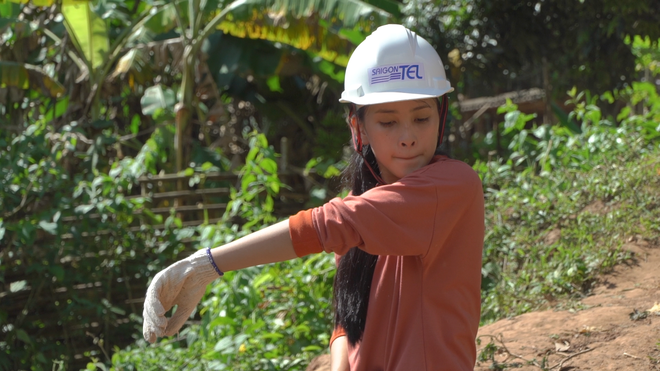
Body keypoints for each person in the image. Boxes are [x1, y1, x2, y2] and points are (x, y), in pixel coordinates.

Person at [143, 24, 485, 371]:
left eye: (422, 117)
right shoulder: (361, 203)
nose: (408, 137)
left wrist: (208, 264)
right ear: (359, 127)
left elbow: (328, 224)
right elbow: (349, 317)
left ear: (440, 118)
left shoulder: (454, 186)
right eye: (388, 122)